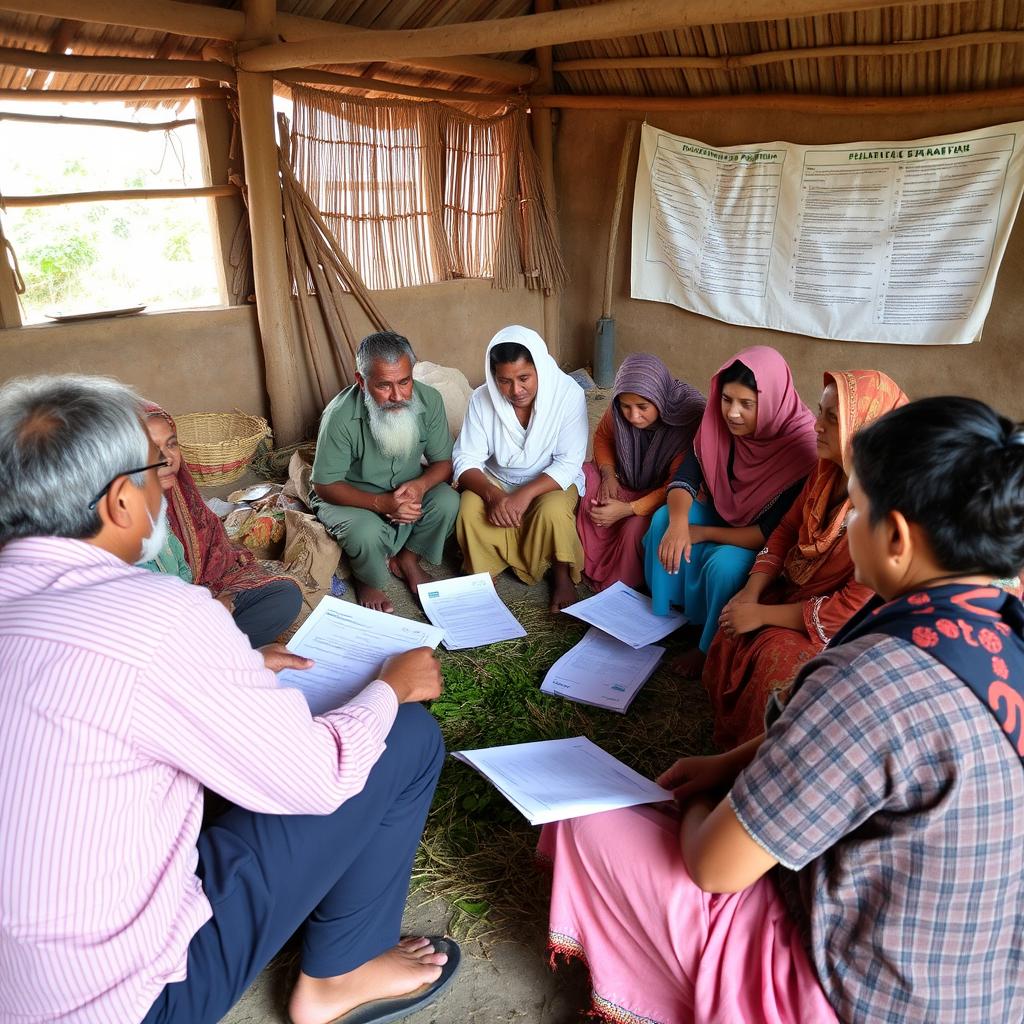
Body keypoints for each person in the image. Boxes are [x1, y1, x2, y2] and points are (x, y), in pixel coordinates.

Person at [540, 395, 1024, 1024]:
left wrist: (704, 800)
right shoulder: (1000, 629)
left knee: (591, 823)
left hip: (861, 996)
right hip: (982, 987)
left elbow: (715, 867)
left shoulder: (872, 680)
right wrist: (733, 762)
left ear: (897, 537)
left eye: (861, 508)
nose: (850, 526)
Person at [0, 374, 460, 1024]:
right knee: (403, 738)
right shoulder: (157, 613)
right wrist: (391, 686)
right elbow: (316, 777)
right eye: (150, 470)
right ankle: (340, 975)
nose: (164, 485)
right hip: (126, 1004)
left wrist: (236, 663)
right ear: (117, 503)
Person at [702, 369, 907, 746]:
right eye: (820, 412)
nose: (816, 426)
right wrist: (752, 594)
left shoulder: (886, 511)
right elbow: (784, 530)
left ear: (867, 428)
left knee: (778, 672)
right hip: (795, 593)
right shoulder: (825, 473)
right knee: (733, 623)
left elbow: (848, 611)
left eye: (832, 418)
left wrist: (761, 614)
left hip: (846, 633)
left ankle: (759, 764)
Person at [643, 346, 818, 673]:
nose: (732, 413)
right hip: (724, 510)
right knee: (665, 519)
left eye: (746, 404)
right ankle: (667, 617)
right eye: (726, 400)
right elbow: (686, 478)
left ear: (772, 401)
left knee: (725, 565)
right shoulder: (717, 422)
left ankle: (707, 647)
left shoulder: (800, 448)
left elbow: (768, 533)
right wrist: (680, 523)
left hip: (761, 543)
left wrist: (701, 532)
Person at [311, 331, 459, 614]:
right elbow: (324, 484)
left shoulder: (430, 400)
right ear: (361, 382)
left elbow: (443, 463)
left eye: (405, 382)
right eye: (384, 386)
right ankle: (368, 580)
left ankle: (407, 559)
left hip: (406, 489)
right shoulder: (339, 416)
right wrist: (382, 504)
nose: (398, 396)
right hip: (351, 497)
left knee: (448, 501)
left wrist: (420, 486)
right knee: (365, 532)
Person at [453, 325, 588, 613]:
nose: (515, 390)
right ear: (493, 377)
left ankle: (561, 574)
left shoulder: (568, 395)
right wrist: (492, 494)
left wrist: (525, 495)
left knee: (553, 511)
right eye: (504, 381)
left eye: (524, 378)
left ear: (540, 367)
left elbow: (568, 462)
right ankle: (484, 574)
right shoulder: (481, 399)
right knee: (468, 506)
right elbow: (465, 459)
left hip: (549, 479)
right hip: (498, 480)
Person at [142, 404, 303, 647]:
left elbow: (189, 573)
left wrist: (211, 600)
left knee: (285, 596)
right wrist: (207, 610)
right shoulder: (112, 528)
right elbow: (139, 611)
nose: (167, 458)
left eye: (171, 444)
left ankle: (220, 654)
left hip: (193, 605)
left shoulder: (169, 503)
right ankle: (218, 661)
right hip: (156, 635)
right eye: (150, 449)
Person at [576, 353, 705, 592]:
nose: (633, 416)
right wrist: (608, 475)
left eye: (643, 407)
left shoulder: (687, 420)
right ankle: (583, 562)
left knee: (633, 528)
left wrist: (627, 509)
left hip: (664, 494)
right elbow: (603, 436)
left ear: (659, 398)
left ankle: (621, 585)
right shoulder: (618, 409)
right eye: (626, 407)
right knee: (585, 479)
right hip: (625, 480)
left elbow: (677, 484)